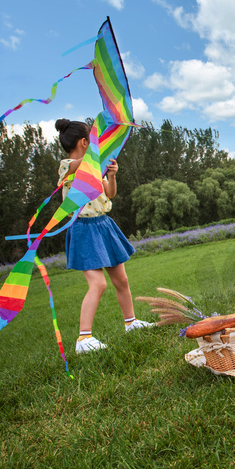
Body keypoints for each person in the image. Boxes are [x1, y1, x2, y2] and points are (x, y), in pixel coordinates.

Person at [55, 119, 153, 355]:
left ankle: (131, 323)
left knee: (122, 281)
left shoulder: (94, 166)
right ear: (84, 142)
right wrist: (98, 156)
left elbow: (109, 193)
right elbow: (79, 165)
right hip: (84, 229)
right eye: (92, 141)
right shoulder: (67, 165)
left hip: (104, 226)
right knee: (97, 284)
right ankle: (83, 339)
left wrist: (112, 174)